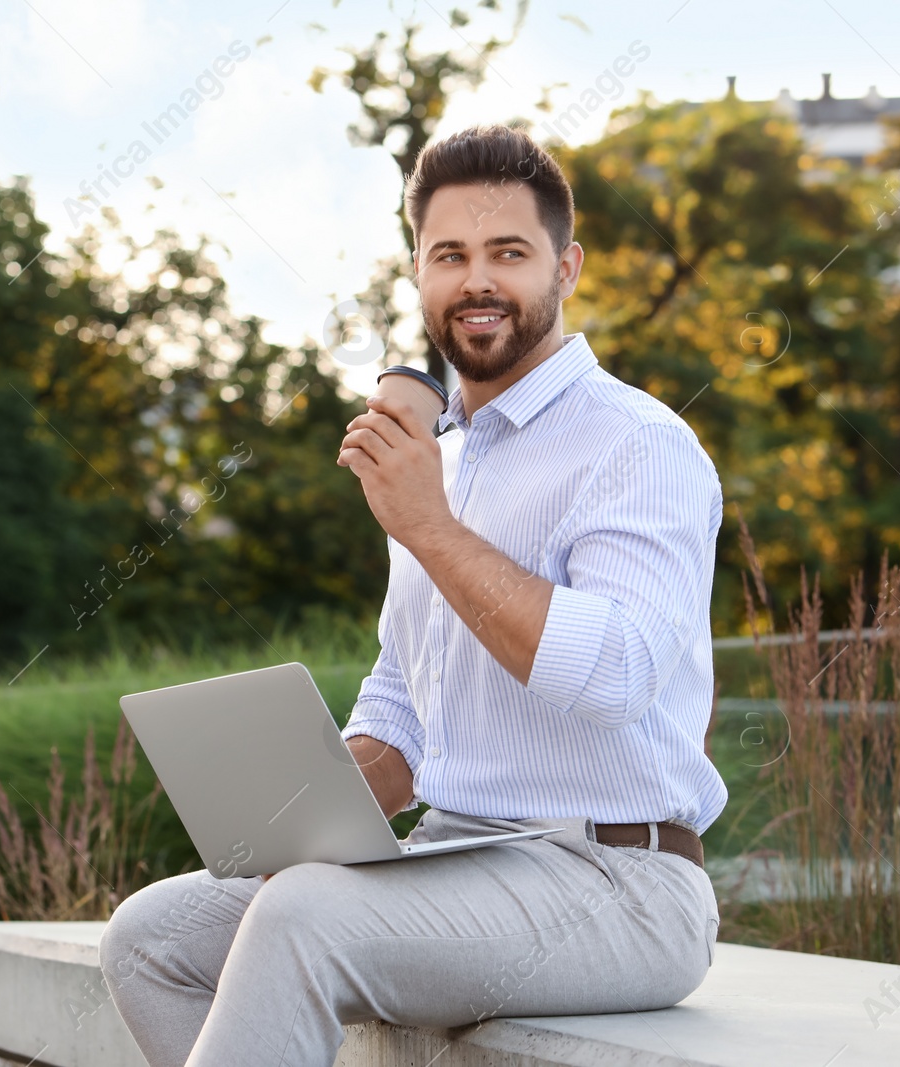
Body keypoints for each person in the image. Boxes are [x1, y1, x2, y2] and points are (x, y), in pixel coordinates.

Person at [98, 124, 727, 1067]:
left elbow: (619, 672)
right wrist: (300, 812)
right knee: (153, 933)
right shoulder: (446, 465)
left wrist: (427, 525)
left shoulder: (637, 445)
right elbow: (404, 719)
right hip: (453, 855)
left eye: (509, 253)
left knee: (305, 917)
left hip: (619, 880)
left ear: (566, 269)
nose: (478, 280)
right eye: (450, 256)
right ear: (422, 275)